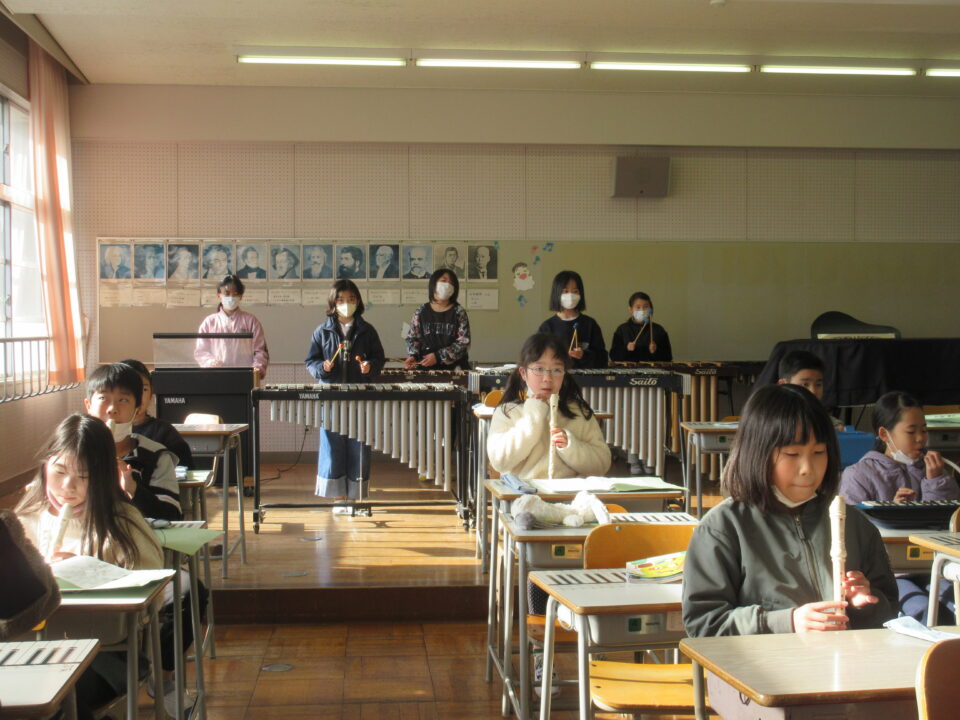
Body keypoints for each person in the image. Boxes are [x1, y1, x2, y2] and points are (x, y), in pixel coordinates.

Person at [682, 384, 898, 638]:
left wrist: (864, 604)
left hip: (839, 660)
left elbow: (889, 613)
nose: (808, 468)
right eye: (792, 454)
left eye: (818, 452)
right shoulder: (723, 527)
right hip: (762, 663)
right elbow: (704, 624)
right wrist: (788, 622)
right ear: (758, 453)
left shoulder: (854, 524)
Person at [16, 413, 165, 720]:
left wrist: (86, 572)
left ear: (103, 478)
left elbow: (152, 599)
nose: (67, 487)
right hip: (30, 650)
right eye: (59, 471)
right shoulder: (24, 521)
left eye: (83, 477)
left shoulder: (123, 525)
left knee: (54, 695)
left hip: (105, 655)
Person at [486, 332, 611, 695]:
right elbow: (501, 459)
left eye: (556, 370)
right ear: (523, 373)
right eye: (539, 369)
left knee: (602, 553)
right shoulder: (509, 412)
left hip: (572, 511)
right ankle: (543, 653)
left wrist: (571, 446)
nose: (547, 378)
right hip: (528, 513)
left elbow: (602, 462)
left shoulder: (578, 413)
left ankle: (598, 648)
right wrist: (535, 414)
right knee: (538, 566)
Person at [840, 391, 959, 623]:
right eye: (911, 431)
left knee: (954, 603)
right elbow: (852, 530)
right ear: (884, 434)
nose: (920, 439)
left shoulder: (932, 471)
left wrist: (935, 482)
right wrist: (889, 511)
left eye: (924, 430)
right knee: (922, 611)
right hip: (893, 571)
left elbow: (949, 521)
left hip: (933, 564)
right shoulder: (859, 475)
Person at [305, 280, 385, 512]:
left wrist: (370, 366)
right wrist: (322, 368)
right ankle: (338, 497)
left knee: (359, 445)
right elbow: (311, 361)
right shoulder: (322, 330)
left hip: (359, 395)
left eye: (351, 299)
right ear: (333, 303)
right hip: (331, 395)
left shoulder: (367, 330)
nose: (346, 304)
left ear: (358, 301)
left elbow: (379, 358)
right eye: (340, 300)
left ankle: (355, 496)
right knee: (333, 446)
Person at [84, 363, 182, 521]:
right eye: (103, 398)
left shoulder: (156, 457)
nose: (112, 409)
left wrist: (132, 488)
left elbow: (171, 515)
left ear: (136, 410)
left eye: (123, 400)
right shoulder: (75, 451)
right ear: (88, 406)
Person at [121, 358, 194, 469]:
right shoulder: (104, 432)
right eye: (129, 389)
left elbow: (185, 472)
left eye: (144, 389)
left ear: (151, 394)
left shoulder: (165, 433)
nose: (138, 395)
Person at [194, 275, 270, 379]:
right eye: (227, 293)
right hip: (216, 377)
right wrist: (210, 362)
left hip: (245, 377)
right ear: (219, 295)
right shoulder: (209, 322)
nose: (231, 297)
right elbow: (201, 351)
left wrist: (256, 369)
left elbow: (260, 351)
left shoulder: (250, 321)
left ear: (241, 296)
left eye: (235, 294)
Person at [537, 270, 607, 370]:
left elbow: (603, 359)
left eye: (575, 291)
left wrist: (584, 355)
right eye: (565, 291)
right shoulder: (547, 327)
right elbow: (537, 359)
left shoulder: (590, 324)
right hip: (556, 378)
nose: (570, 296)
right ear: (556, 294)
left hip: (585, 378)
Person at [404, 269, 471, 371]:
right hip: (426, 370)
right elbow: (412, 338)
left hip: (455, 371)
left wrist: (438, 356)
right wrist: (413, 356)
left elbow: (463, 343)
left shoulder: (459, 312)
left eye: (451, 283)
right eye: (443, 281)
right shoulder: (421, 311)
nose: (447, 285)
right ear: (433, 284)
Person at [609, 291, 672, 363]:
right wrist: (626, 348)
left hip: (653, 369)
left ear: (650, 309)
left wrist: (656, 351)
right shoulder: (622, 329)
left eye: (646, 307)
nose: (642, 310)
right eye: (638, 307)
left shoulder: (659, 330)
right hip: (628, 369)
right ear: (630, 309)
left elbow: (668, 357)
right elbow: (613, 356)